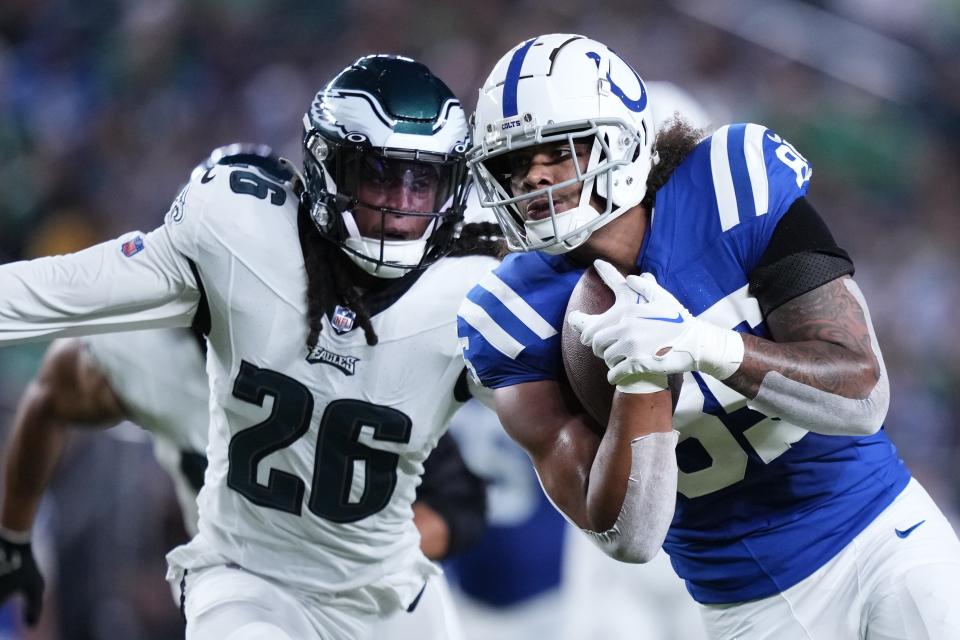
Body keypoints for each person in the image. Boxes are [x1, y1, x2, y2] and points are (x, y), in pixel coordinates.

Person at [458, 33, 960, 638]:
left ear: (621, 139)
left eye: (558, 152)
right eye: (512, 164)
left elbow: (862, 396)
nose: (533, 181)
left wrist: (705, 346)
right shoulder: (509, 314)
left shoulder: (731, 184)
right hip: (744, 603)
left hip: (882, 537)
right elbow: (631, 539)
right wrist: (639, 379)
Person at [0, 54, 502, 639]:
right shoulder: (176, 310)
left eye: (420, 183)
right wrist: (12, 538)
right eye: (378, 176)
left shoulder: (419, 322)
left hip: (368, 592)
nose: (399, 205)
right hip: (233, 574)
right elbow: (55, 339)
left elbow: (470, 498)